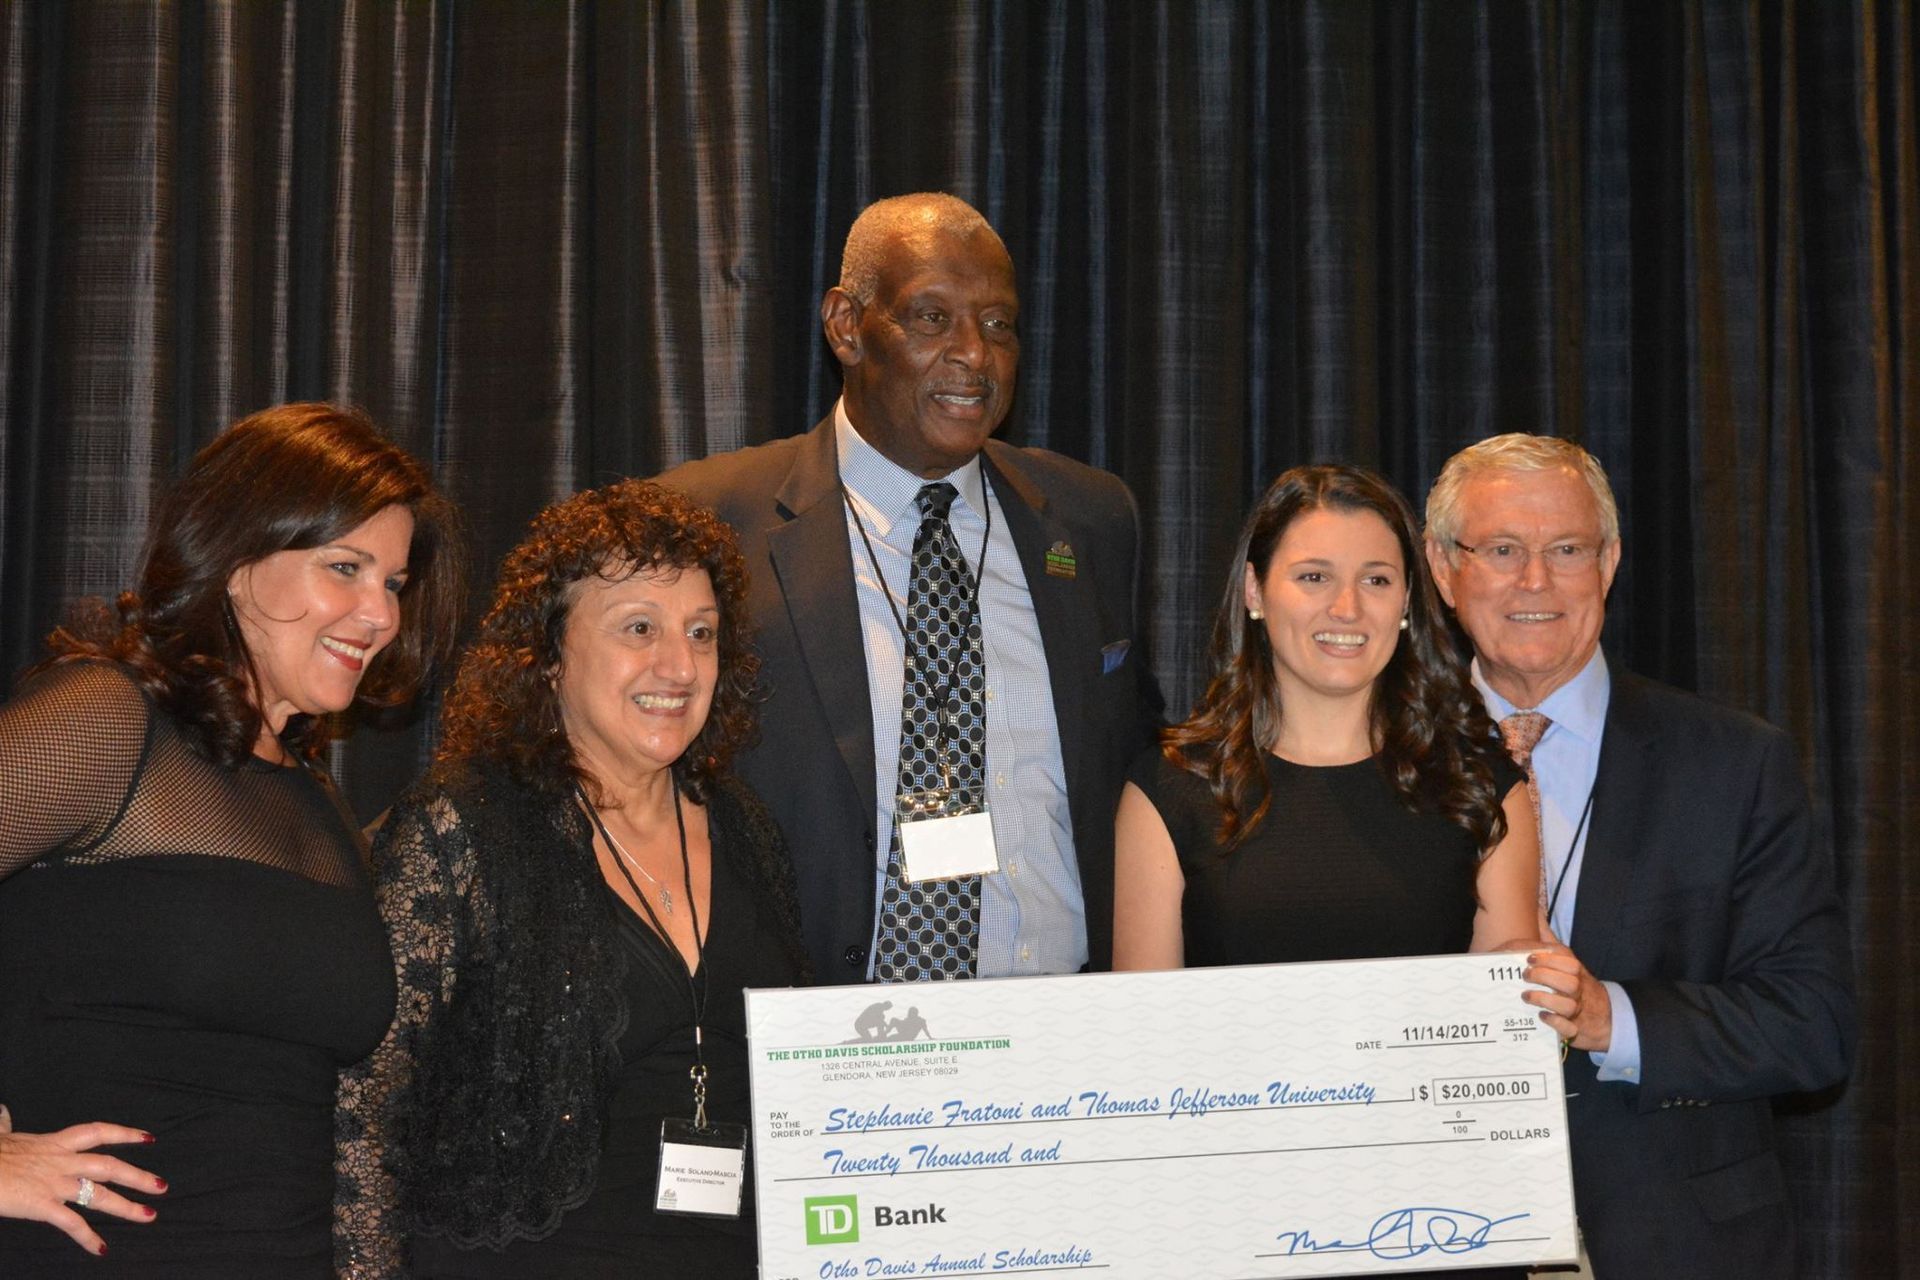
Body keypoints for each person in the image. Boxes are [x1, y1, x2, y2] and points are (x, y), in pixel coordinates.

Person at [0, 403, 464, 1275]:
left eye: (393, 583)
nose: (379, 616)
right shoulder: (109, 721)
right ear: (238, 563)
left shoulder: (318, 804)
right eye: (344, 568)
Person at [663, 191, 1162, 984]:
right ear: (847, 326)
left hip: (1064, 1045)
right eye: (932, 319)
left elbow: (1140, 767)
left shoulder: (1090, 518)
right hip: (832, 1046)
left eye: (999, 325)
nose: (975, 354)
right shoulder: (712, 522)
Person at [334, 480, 809, 1279]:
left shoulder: (746, 826)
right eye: (639, 629)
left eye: (702, 632)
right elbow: (365, 1107)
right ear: (548, 657)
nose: (680, 666)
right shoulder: (464, 827)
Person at [1423, 433, 1855, 1278]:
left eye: (1568, 549)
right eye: (1502, 549)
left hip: (1681, 1243)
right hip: (1434, 1236)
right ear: (1444, 570)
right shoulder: (1379, 763)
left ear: (1611, 561)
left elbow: (1816, 1028)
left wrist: (1609, 1018)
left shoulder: (1735, 763)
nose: (1535, 581)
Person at [1113, 463, 1538, 970]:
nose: (1346, 607)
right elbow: (1147, 1032)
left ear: (1406, 601)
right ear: (1254, 590)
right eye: (1314, 577)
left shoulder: (1483, 790)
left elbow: (1502, 1031)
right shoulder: (1168, 791)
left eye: (1376, 579)